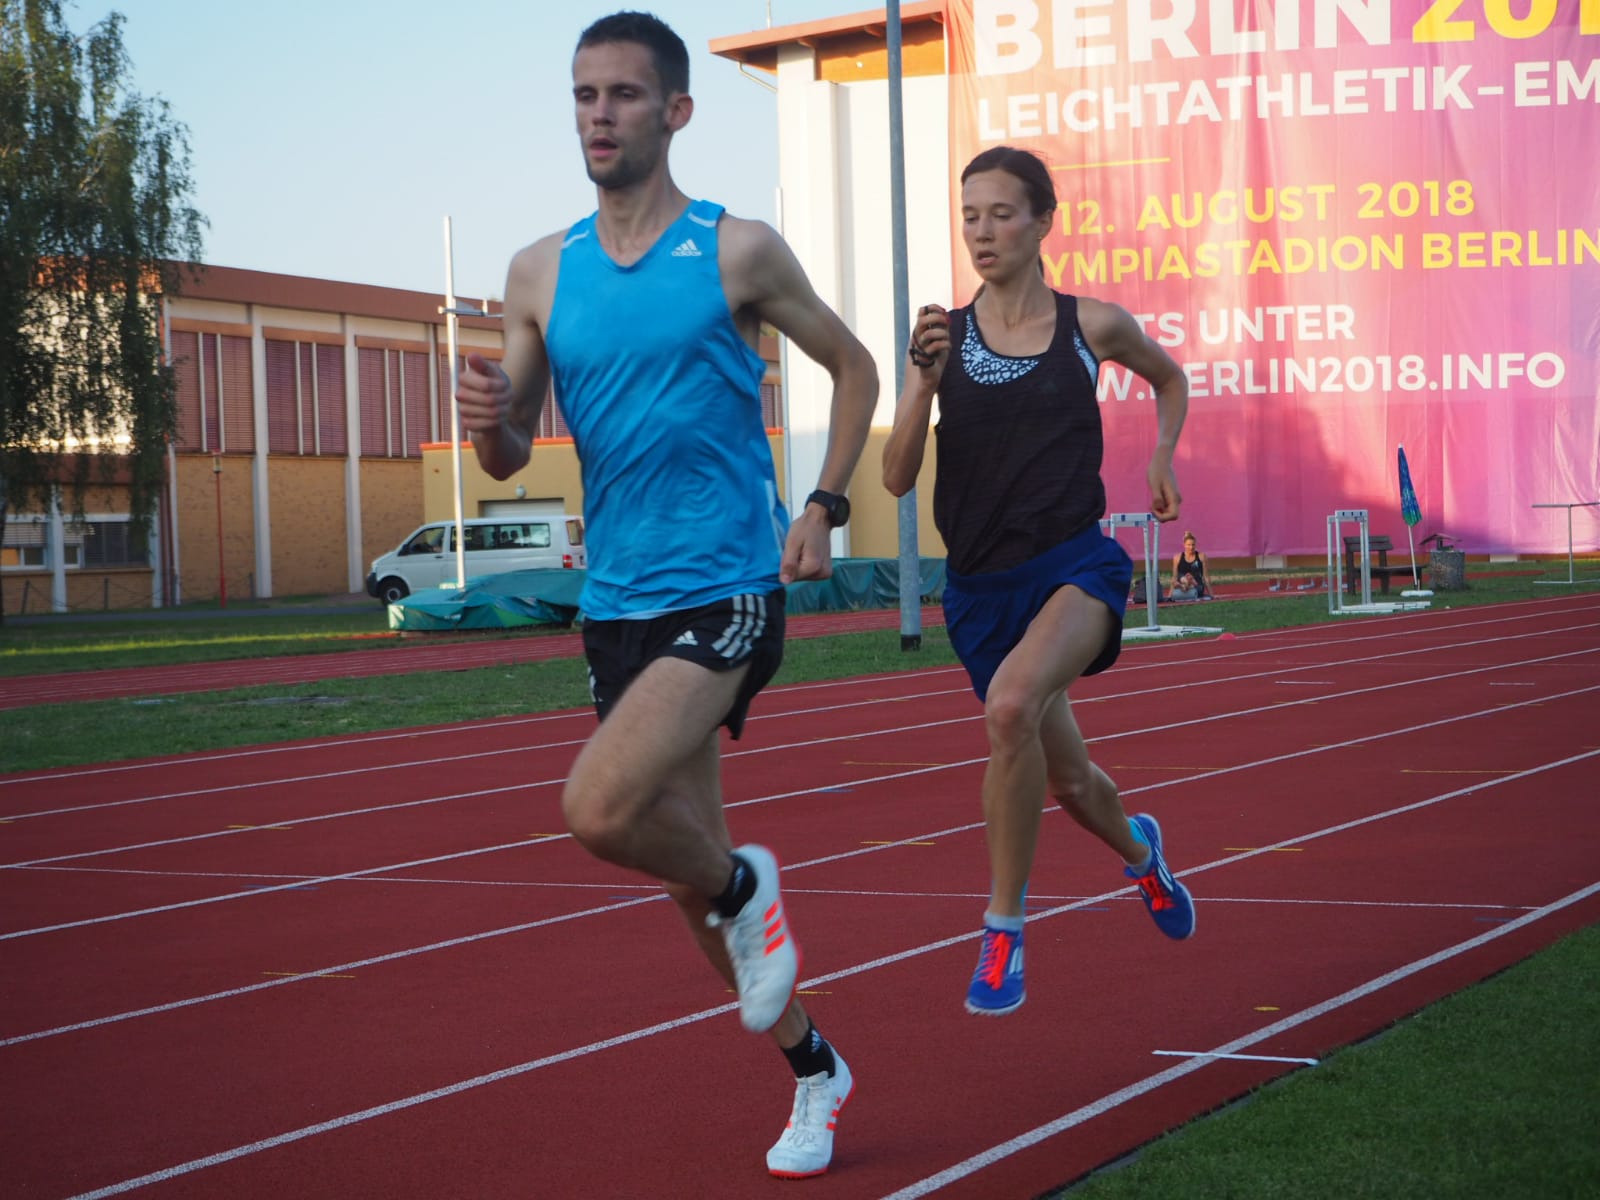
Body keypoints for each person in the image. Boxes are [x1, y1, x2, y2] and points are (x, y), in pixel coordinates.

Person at [454, 12, 877, 1178]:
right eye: (584, 94)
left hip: (726, 584)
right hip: (616, 605)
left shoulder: (735, 250)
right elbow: (508, 456)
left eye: (624, 94)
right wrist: (489, 426)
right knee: (690, 881)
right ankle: (814, 1071)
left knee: (599, 809)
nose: (599, 114)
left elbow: (854, 366)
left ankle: (750, 886)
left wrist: (823, 503)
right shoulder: (539, 271)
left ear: (676, 111)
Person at [881, 145, 1197, 1018]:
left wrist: (1163, 456)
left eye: (1001, 214)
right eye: (969, 215)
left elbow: (1169, 379)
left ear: (1043, 221)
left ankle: (1003, 929)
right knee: (1071, 783)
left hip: (1073, 568)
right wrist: (921, 386)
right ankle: (1142, 855)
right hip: (982, 591)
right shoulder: (941, 337)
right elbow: (897, 478)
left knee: (1011, 706)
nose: (982, 232)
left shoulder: (1091, 325)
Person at [1169, 530, 1211, 600]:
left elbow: (1206, 577)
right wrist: (1169, 596)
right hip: (1182, 582)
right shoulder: (1177, 557)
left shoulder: (1202, 556)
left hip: (1197, 586)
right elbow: (1174, 577)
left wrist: (1211, 595)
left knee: (1190, 579)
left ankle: (1187, 584)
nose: (1191, 547)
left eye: (1193, 545)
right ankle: (1185, 585)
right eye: (1188, 545)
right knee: (1182, 577)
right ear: (1184, 545)